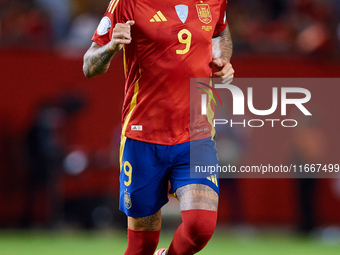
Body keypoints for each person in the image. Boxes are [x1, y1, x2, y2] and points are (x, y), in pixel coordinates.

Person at [83, 0, 234, 254]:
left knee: (200, 227)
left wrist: (221, 59)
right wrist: (111, 47)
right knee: (142, 245)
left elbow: (220, 31)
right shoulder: (127, 3)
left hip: (195, 134)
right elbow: (89, 65)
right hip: (143, 137)